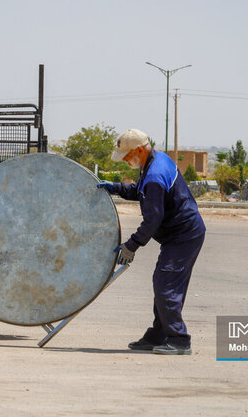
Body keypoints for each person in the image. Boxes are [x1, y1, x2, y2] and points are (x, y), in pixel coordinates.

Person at [97, 129, 205, 355]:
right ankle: (159, 334)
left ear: (139, 150)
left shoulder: (155, 174)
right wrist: (115, 187)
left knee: (166, 284)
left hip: (183, 236)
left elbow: (152, 219)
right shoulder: (156, 160)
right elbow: (141, 191)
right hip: (178, 236)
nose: (126, 161)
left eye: (127, 156)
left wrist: (132, 245)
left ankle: (179, 339)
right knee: (163, 281)